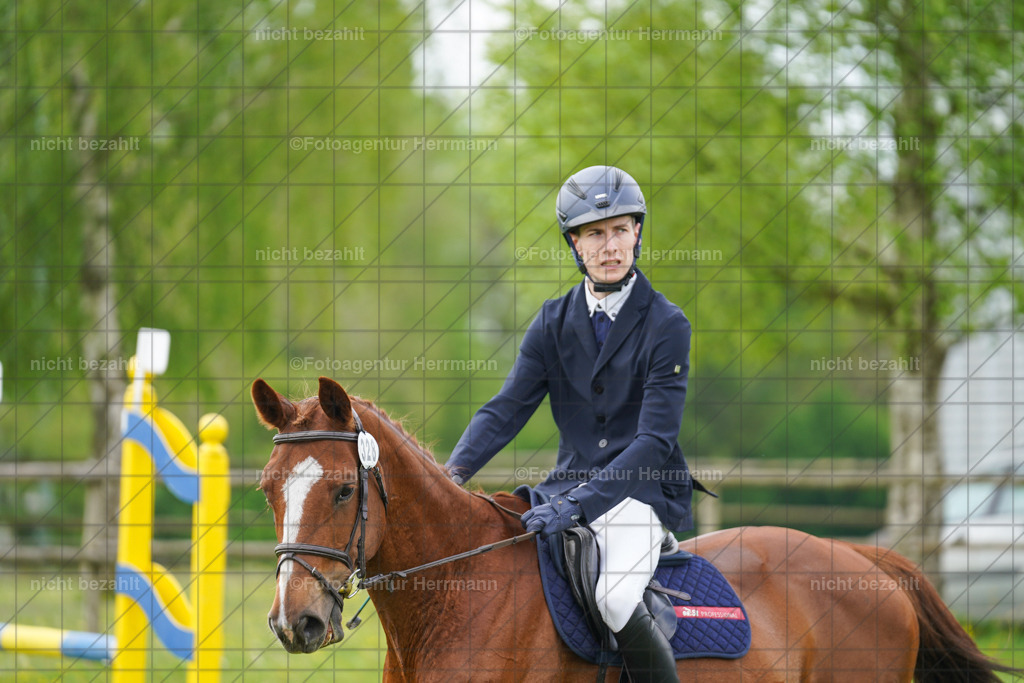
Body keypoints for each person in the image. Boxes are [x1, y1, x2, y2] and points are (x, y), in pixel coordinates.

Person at [446, 165, 705, 682]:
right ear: (574, 244)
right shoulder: (552, 320)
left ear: (637, 233)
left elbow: (655, 442)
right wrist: (449, 474)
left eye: (619, 230)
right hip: (563, 489)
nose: (610, 246)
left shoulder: (667, 324)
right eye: (594, 233)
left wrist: (578, 505)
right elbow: (506, 410)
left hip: (642, 493)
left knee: (613, 597)